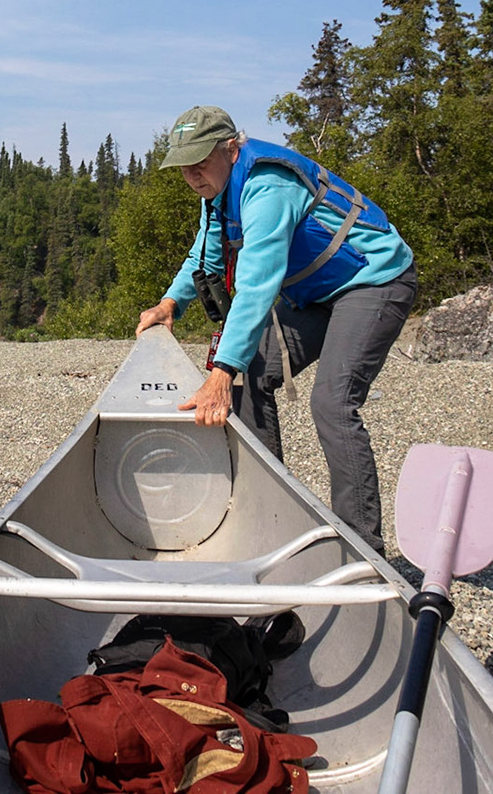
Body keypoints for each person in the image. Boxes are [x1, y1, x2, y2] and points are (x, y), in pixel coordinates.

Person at [136, 105, 416, 553]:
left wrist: (221, 371)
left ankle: (362, 548)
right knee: (251, 376)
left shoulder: (267, 186)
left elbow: (256, 286)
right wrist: (171, 304)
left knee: (332, 402)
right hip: (318, 295)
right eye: (184, 167)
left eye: (200, 163)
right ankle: (271, 517)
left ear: (231, 148)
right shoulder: (220, 194)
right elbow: (203, 257)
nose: (192, 176)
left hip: (374, 280)